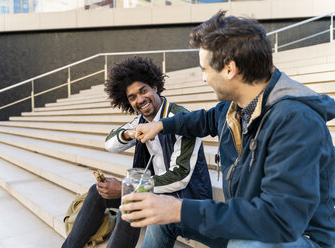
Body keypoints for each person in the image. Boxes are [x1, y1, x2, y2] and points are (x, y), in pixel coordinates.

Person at [119, 11, 335, 248]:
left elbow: (279, 220)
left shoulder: (296, 121)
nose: (203, 79)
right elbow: (201, 121)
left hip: (301, 236)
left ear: (230, 69)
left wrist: (180, 208)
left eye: (204, 69)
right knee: (162, 218)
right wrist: (160, 125)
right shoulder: (233, 109)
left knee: (245, 246)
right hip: (249, 220)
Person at [62, 56, 213, 248]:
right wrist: (130, 133)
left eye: (143, 91)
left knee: (132, 201)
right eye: (132, 97)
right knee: (97, 192)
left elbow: (180, 176)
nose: (140, 100)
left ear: (155, 87)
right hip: (156, 190)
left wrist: (128, 188)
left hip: (186, 198)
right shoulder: (141, 121)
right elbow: (110, 143)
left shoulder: (182, 119)